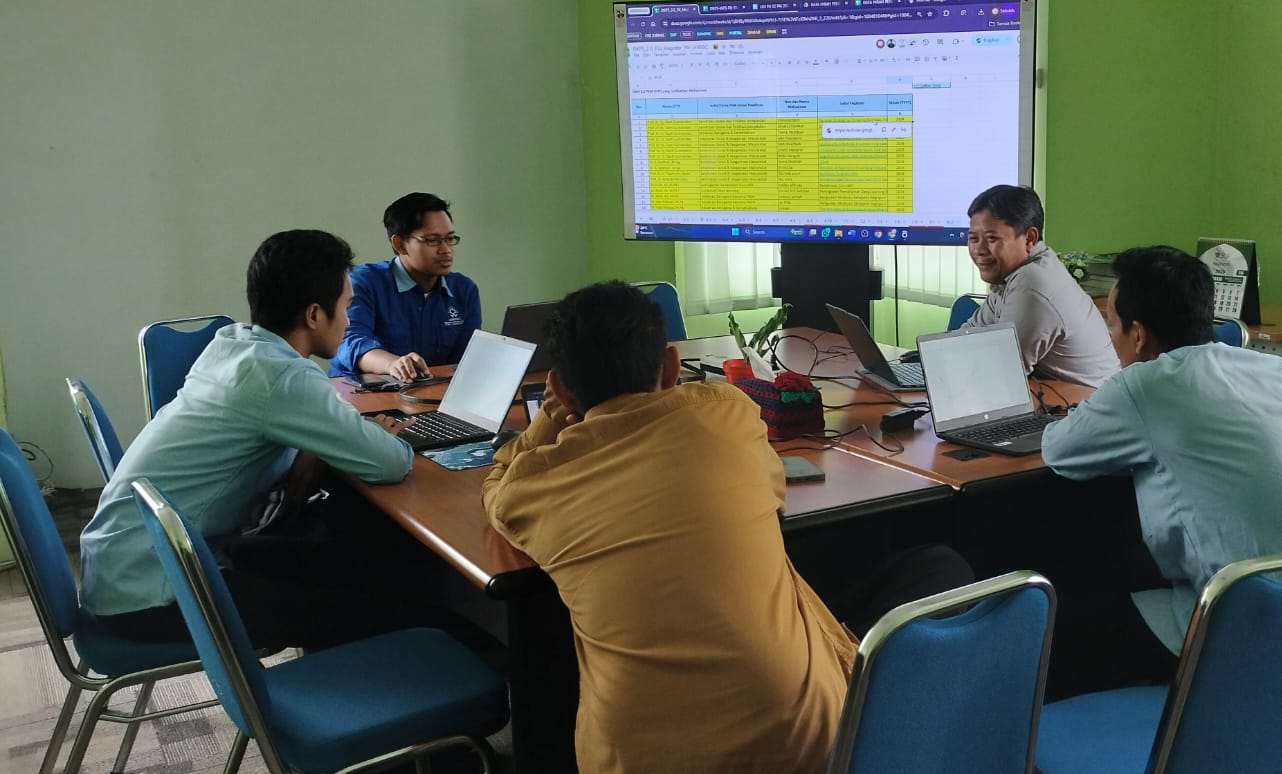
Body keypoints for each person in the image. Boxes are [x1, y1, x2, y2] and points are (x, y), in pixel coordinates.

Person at [482, 281, 859, 773]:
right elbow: (774, 492)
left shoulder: (538, 483)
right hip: (806, 747)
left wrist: (549, 423)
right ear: (670, 365)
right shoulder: (729, 413)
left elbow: (497, 489)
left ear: (559, 387)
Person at [1038, 245, 1282, 698]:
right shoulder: (1277, 370)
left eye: (1112, 326)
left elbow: (1058, 450)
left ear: (1138, 335)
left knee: (1046, 631)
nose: (1111, 339)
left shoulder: (1145, 384)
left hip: (1254, 624)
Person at [80, 230, 420, 650]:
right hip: (154, 592)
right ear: (315, 314)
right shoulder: (282, 376)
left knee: (357, 565)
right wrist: (370, 436)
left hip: (130, 566)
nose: (350, 321)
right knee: (389, 611)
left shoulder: (233, 345)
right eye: (347, 307)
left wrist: (328, 439)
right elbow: (392, 463)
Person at [963, 184, 1119, 387]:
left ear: (1029, 238)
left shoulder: (1032, 283)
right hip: (1057, 397)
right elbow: (964, 339)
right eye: (973, 238)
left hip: (1085, 403)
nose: (979, 249)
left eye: (992, 238)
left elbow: (1003, 373)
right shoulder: (1013, 275)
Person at [329, 192, 481, 382]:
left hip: (431, 392)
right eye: (432, 240)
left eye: (450, 239)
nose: (446, 250)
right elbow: (349, 342)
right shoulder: (363, 282)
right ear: (399, 244)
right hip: (362, 394)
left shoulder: (464, 290)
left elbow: (466, 360)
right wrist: (392, 364)